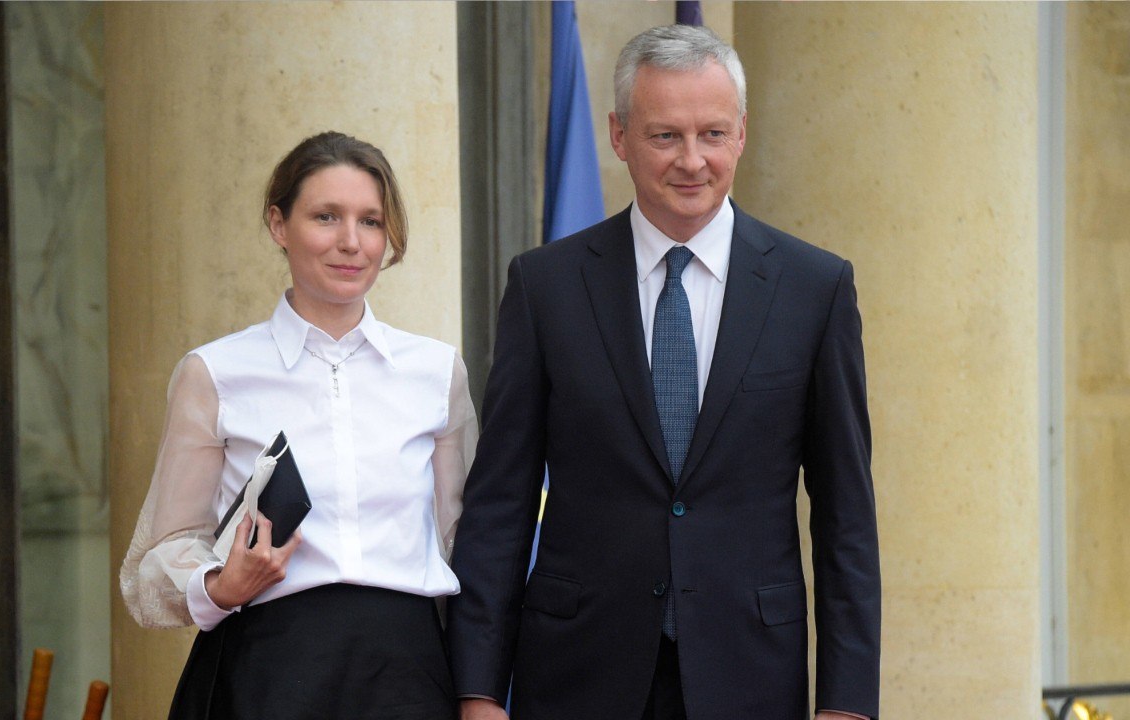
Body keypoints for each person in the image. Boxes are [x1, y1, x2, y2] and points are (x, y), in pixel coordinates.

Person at [447, 25, 879, 720]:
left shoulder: (814, 287)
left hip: (750, 676)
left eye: (712, 134)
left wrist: (848, 703)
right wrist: (477, 691)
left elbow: (846, 517)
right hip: (575, 673)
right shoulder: (546, 286)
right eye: (665, 136)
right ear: (618, 137)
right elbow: (501, 503)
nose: (692, 160)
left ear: (741, 134)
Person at [121, 131, 476, 720]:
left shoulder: (436, 371)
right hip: (269, 670)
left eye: (370, 221)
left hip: (408, 673)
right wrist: (219, 584)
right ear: (278, 225)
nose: (350, 242)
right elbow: (158, 558)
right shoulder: (214, 372)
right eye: (326, 217)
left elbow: (462, 541)